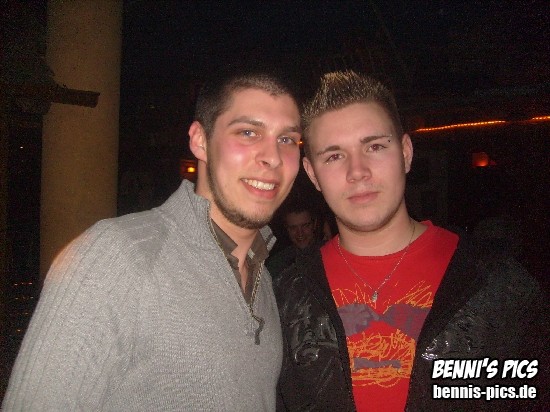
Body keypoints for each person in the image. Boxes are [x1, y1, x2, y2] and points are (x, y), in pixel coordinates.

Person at [3, 67, 302, 411]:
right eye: (248, 132)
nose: (273, 157)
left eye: (287, 140)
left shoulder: (263, 280)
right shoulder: (118, 257)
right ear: (200, 141)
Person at [274, 71, 548, 411]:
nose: (357, 171)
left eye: (375, 146)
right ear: (312, 173)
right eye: (334, 156)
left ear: (405, 152)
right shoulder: (286, 296)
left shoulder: (497, 284)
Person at [266, 200, 324, 278]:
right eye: (293, 228)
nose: (300, 233)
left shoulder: (330, 254)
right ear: (287, 229)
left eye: (305, 226)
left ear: (314, 224)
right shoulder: (278, 263)